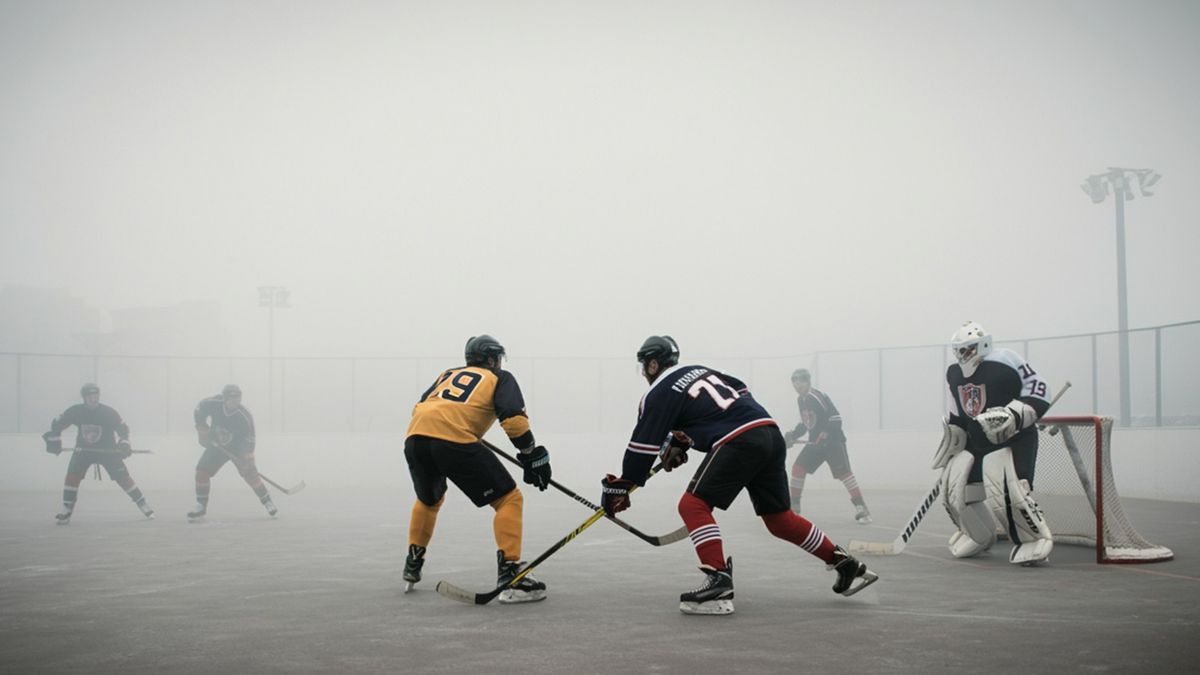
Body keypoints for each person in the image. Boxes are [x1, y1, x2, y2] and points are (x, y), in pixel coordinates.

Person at [600, 336, 878, 615]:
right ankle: (844, 563)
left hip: (740, 440)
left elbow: (643, 445)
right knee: (780, 519)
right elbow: (736, 395)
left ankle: (718, 581)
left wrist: (622, 485)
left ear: (652, 364)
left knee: (692, 505)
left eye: (644, 367)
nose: (644, 374)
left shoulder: (659, 391)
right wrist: (686, 438)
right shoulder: (702, 370)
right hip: (768, 433)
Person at [402, 335, 553, 603]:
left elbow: (422, 407)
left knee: (429, 500)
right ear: (493, 359)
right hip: (452, 439)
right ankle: (511, 575)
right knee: (509, 499)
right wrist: (531, 454)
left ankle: (413, 564)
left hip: (416, 438)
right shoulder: (500, 377)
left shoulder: (447, 374)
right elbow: (513, 420)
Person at [932, 321, 1054, 565]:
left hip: (1012, 439)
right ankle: (977, 534)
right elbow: (958, 410)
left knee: (1009, 492)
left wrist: (1015, 414)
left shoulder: (1005, 359)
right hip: (976, 440)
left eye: (967, 349)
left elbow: (1039, 390)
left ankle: (1033, 539)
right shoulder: (953, 373)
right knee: (956, 489)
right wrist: (955, 434)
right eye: (959, 350)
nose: (962, 355)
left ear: (982, 344)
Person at [42, 383, 155, 524]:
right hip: (83, 451)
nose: (93, 399)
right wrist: (54, 440)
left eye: (95, 395)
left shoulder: (108, 412)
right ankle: (66, 510)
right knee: (71, 477)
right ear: (84, 398)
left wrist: (124, 443)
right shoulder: (75, 411)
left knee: (123, 478)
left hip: (108, 451)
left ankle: (142, 503)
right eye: (89, 396)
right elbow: (57, 423)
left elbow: (122, 429)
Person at [783, 368, 871, 524]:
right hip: (816, 443)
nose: (797, 385)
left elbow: (836, 418)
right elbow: (806, 423)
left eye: (801, 381)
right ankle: (794, 509)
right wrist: (793, 435)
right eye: (794, 382)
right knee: (798, 468)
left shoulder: (816, 396)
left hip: (833, 442)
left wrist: (824, 434)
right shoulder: (801, 400)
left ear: (808, 382)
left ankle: (862, 508)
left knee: (844, 474)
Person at [188, 384, 276, 521]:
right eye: (232, 398)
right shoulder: (213, 403)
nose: (235, 402)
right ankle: (201, 506)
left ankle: (267, 502)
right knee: (201, 472)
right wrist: (202, 428)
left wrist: (248, 458)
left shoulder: (244, 416)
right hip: (216, 445)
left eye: (238, 398)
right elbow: (199, 409)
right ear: (224, 398)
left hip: (238, 448)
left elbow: (250, 439)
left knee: (250, 474)